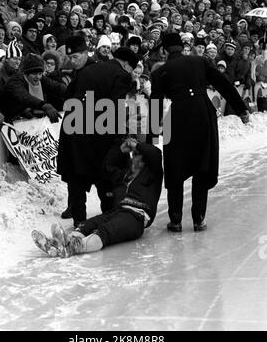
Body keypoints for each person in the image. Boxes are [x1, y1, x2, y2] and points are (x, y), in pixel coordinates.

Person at [149, 32, 250, 232]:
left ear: (164, 50)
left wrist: (151, 136)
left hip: (178, 117)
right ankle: (198, 219)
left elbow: (155, 102)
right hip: (203, 114)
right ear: (184, 45)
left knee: (175, 166)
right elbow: (223, 84)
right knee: (202, 165)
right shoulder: (200, 61)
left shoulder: (161, 71)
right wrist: (241, 109)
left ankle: (176, 219)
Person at [57, 34, 140, 226]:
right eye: (132, 69)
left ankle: (79, 223)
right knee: (105, 178)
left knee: (77, 180)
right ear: (127, 65)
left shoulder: (88, 70)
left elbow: (69, 96)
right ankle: (109, 221)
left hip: (73, 134)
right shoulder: (121, 75)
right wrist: (120, 139)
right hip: (96, 136)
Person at [32, 137, 163, 258]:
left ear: (145, 161)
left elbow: (155, 153)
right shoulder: (125, 175)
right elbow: (107, 165)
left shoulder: (152, 174)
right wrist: (119, 148)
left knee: (105, 231)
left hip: (136, 216)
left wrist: (136, 145)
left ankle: (73, 247)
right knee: (87, 225)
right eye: (133, 156)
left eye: (138, 156)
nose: (134, 158)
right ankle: (60, 243)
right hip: (118, 211)